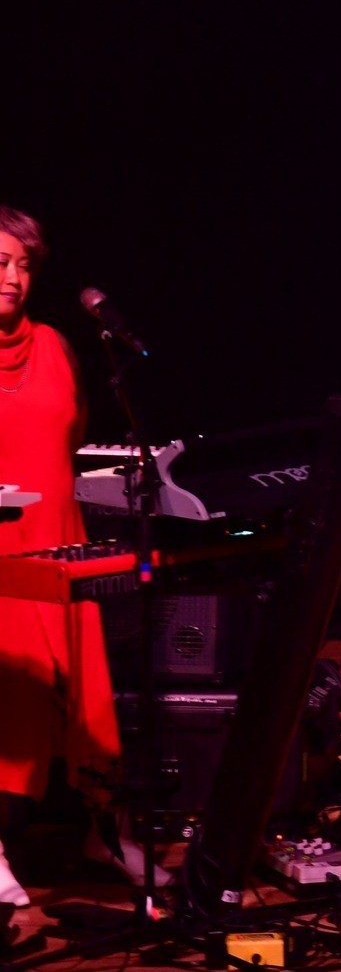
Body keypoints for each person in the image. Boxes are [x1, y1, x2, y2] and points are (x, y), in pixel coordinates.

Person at [0, 206, 160, 906]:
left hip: (61, 544)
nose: (13, 277)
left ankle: (106, 832)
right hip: (1, 554)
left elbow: (71, 435)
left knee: (86, 702)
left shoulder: (57, 345)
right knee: (11, 699)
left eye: (23, 265)